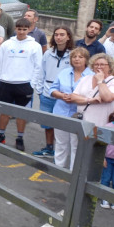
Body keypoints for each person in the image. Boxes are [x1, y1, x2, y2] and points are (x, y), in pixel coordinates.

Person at [0, 18, 44, 151]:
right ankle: (1, 135)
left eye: (24, 29)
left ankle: (19, 138)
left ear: (29, 29)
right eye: (19, 29)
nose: (21, 32)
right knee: (4, 111)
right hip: (5, 83)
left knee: (21, 113)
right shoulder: (7, 44)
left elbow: (38, 67)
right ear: (15, 29)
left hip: (24, 84)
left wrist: (32, 84)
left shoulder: (35, 46)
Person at [33, 26, 73, 158]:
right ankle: (49, 148)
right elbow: (41, 72)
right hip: (47, 94)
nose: (58, 37)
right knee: (47, 123)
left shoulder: (73, 55)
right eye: (56, 34)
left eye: (62, 34)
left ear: (68, 37)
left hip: (64, 96)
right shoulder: (48, 53)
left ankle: (62, 153)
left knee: (62, 125)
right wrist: (39, 90)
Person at [50, 47, 92, 169]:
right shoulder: (64, 72)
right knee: (60, 143)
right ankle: (59, 168)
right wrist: (61, 95)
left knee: (76, 145)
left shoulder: (91, 75)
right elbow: (53, 89)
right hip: (61, 112)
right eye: (74, 57)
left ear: (86, 60)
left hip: (80, 115)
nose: (77, 59)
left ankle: (74, 173)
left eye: (80, 57)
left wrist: (76, 98)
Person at [98, 114, 114, 208]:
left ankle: (113, 199)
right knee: (106, 178)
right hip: (108, 158)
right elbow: (102, 144)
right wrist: (103, 157)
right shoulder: (108, 127)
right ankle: (104, 198)